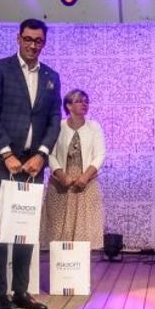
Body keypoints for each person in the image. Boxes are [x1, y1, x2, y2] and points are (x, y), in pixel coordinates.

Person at [0, 19, 62, 309]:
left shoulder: (52, 76)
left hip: (33, 164)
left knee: (25, 228)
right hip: (0, 162)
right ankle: (0, 294)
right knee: (1, 226)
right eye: (28, 39)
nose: (32, 45)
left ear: (44, 43)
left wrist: (41, 154)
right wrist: (6, 154)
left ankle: (21, 292)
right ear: (18, 38)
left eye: (38, 40)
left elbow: (55, 119)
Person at [42, 89, 106, 245]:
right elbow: (50, 153)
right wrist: (62, 176)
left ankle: (81, 260)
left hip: (86, 182)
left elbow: (100, 155)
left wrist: (85, 177)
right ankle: (59, 259)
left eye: (86, 101)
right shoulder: (58, 126)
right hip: (61, 182)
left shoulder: (94, 127)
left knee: (85, 229)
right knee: (58, 229)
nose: (84, 104)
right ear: (68, 106)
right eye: (79, 101)